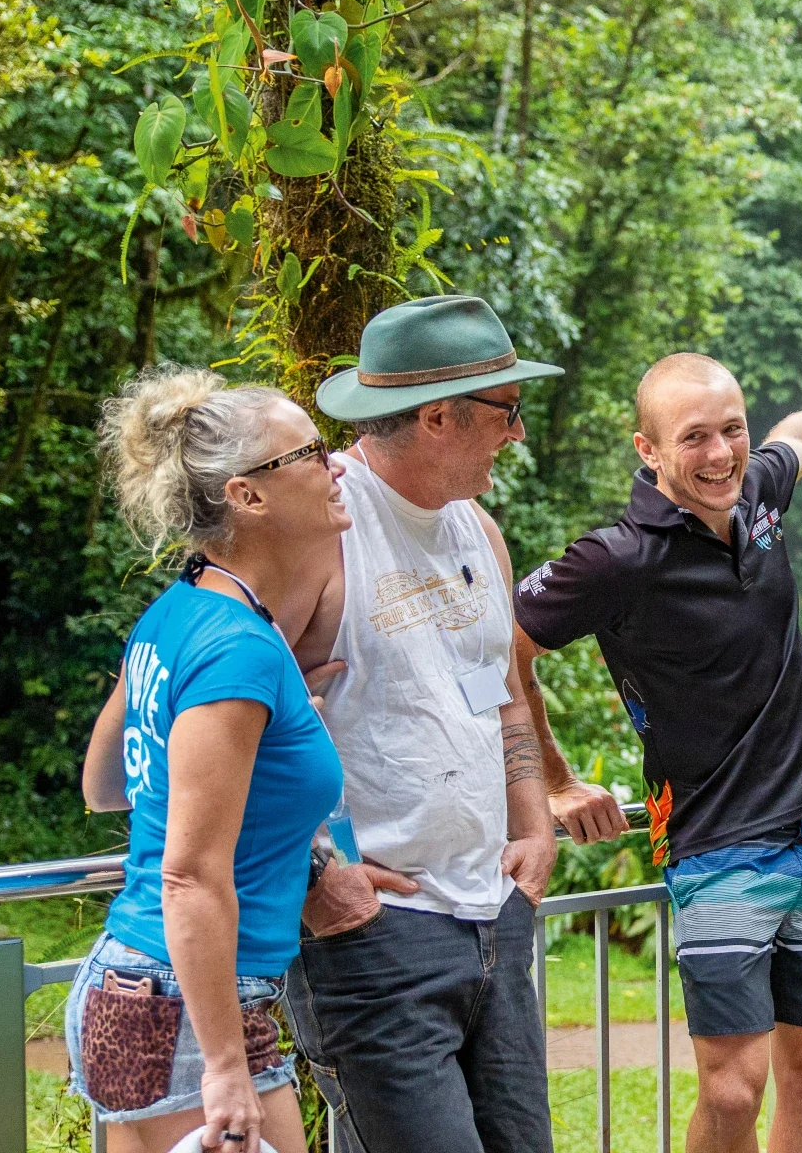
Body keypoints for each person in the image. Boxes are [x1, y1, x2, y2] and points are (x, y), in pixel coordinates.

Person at [513, 351, 802, 1153]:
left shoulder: (756, 493)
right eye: (694, 437)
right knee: (731, 1091)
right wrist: (554, 781)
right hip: (715, 846)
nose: (721, 453)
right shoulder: (614, 558)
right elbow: (503, 651)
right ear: (647, 449)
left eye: (733, 429)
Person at [283, 294, 621, 1153]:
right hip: (377, 933)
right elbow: (238, 724)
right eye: (507, 411)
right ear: (438, 417)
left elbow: (502, 688)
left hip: (492, 916)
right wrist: (319, 876)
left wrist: (533, 827)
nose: (518, 433)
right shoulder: (321, 528)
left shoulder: (478, 530)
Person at [72, 367, 350, 1153]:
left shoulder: (180, 613)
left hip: (142, 989)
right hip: (189, 1010)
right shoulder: (238, 648)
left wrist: (261, 738)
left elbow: (105, 783)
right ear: (247, 495)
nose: (334, 464)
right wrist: (226, 1067)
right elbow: (190, 875)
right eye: (308, 453)